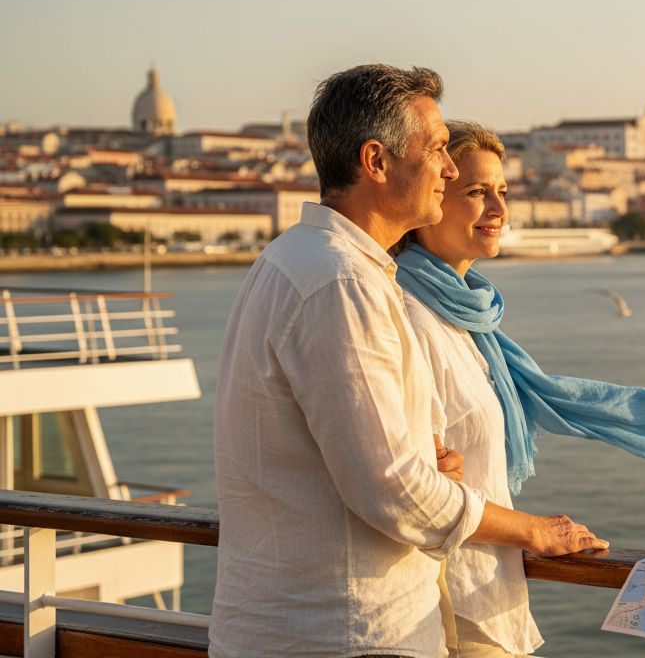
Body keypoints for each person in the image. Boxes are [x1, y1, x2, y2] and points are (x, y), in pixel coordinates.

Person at [211, 66, 607, 658]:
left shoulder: (292, 259)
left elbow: (363, 456)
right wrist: (533, 529)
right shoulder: (343, 284)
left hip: (289, 626)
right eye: (440, 151)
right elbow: (392, 488)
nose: (450, 170)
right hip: (348, 632)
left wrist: (421, 460)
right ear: (376, 160)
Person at [394, 121, 645, 657]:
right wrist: (537, 531)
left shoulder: (472, 320)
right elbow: (416, 490)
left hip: (489, 592)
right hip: (446, 609)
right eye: (476, 192)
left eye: (503, 192)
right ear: (429, 198)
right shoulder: (408, 320)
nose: (499, 210)